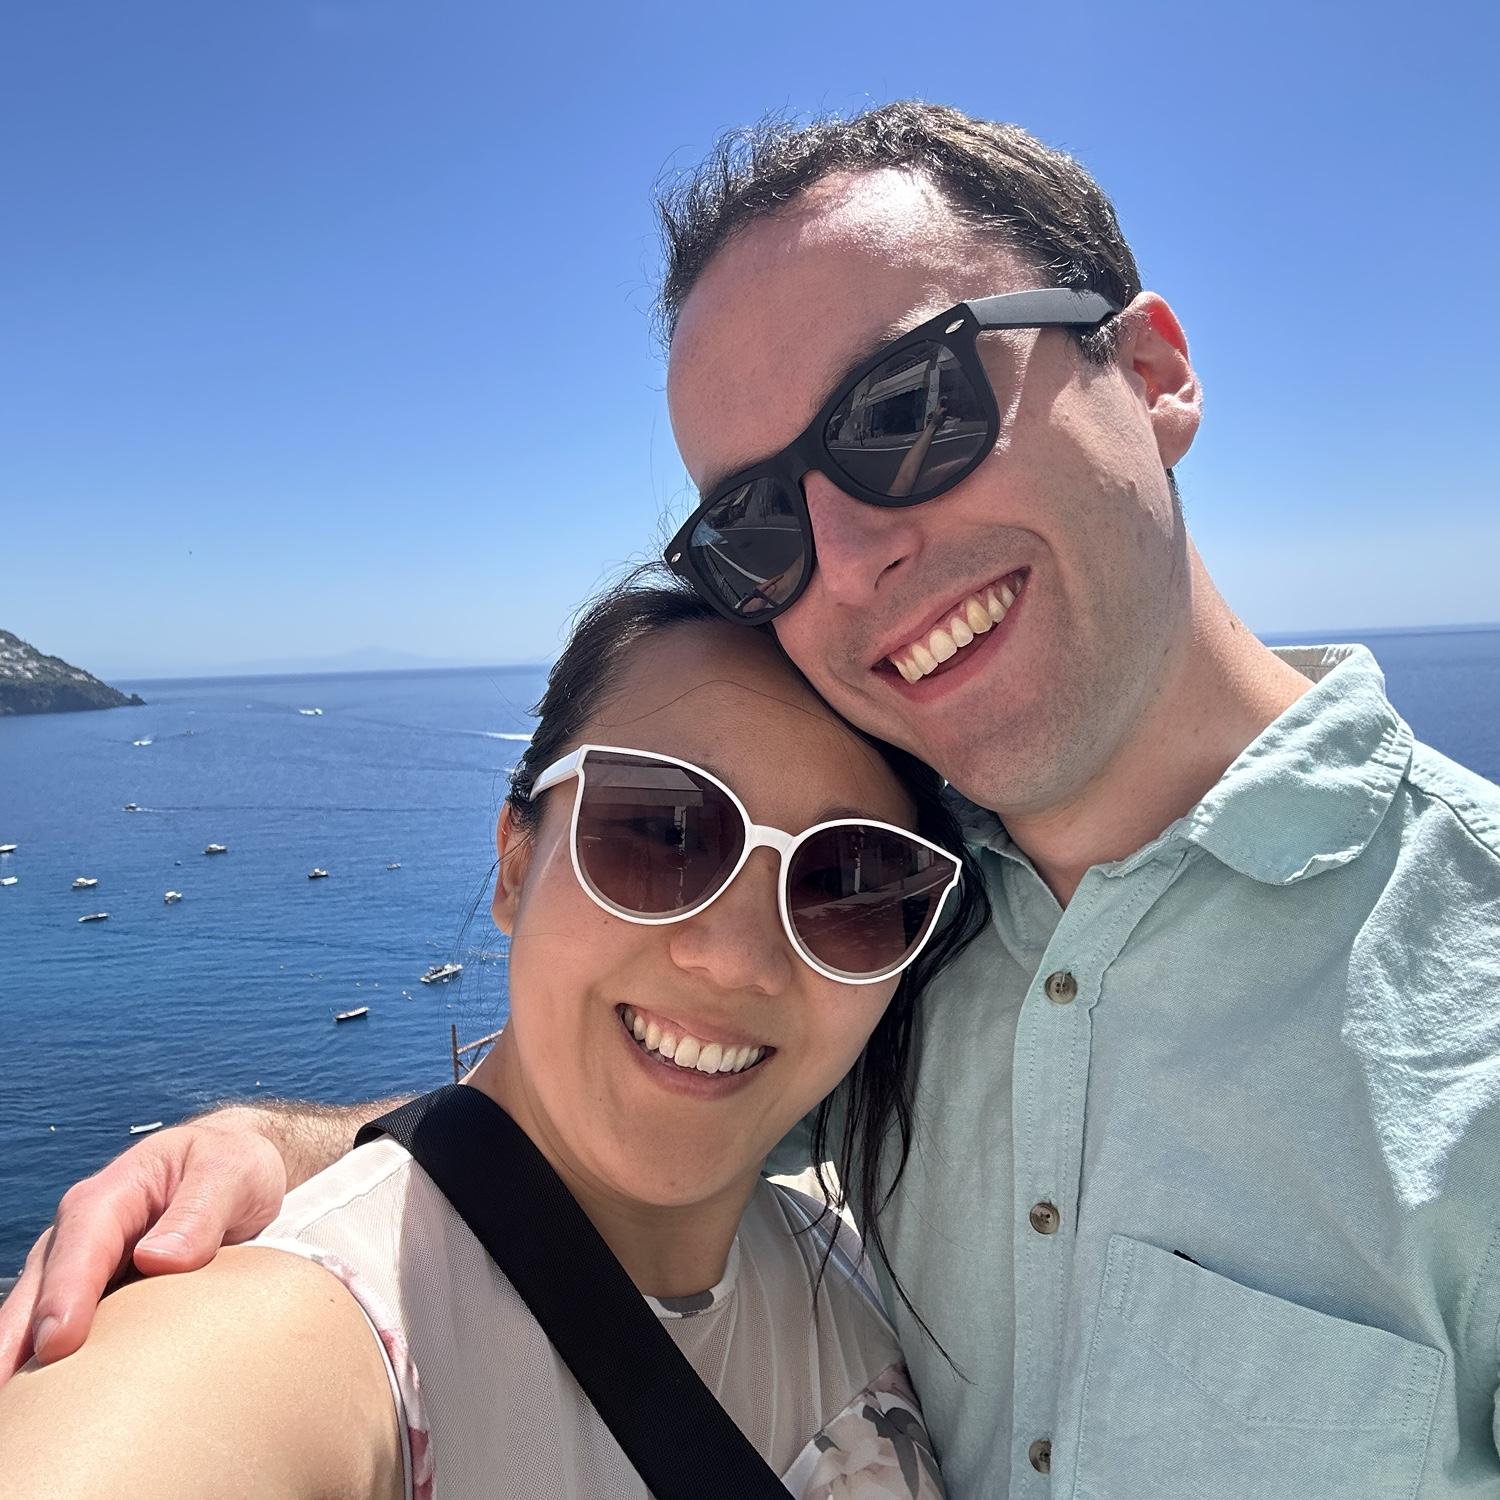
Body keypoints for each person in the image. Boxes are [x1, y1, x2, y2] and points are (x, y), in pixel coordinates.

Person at [5, 103, 1499, 1497]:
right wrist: (292, 1149)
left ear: (1155, 372)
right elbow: (602, 1136)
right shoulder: (892, 929)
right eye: (759, 520)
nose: (847, 559)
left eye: (908, 411)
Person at [0, 580, 991, 1497]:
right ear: (517, 865)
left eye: (850, 883)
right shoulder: (306, 1335)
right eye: (662, 833)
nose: (736, 961)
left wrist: (291, 1137)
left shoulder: (864, 1269)